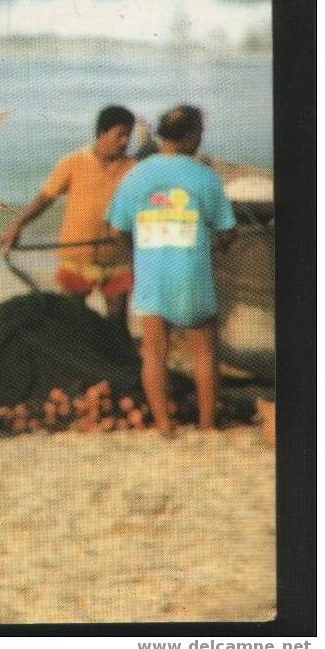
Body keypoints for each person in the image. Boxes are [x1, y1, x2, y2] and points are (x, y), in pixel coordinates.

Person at [106, 106, 236, 436]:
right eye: (200, 134)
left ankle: (165, 426)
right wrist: (217, 248)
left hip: (151, 273)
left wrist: (137, 255)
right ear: (191, 135)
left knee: (154, 352)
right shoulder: (204, 176)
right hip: (192, 272)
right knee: (204, 351)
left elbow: (116, 229)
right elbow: (227, 229)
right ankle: (207, 425)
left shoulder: (135, 175)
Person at [0, 106, 137, 325]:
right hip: (75, 258)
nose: (125, 141)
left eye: (129, 135)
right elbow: (44, 199)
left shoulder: (134, 169)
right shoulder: (73, 162)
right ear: (102, 133)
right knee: (71, 322)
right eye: (120, 134)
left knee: (118, 324)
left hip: (117, 259)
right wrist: (17, 226)